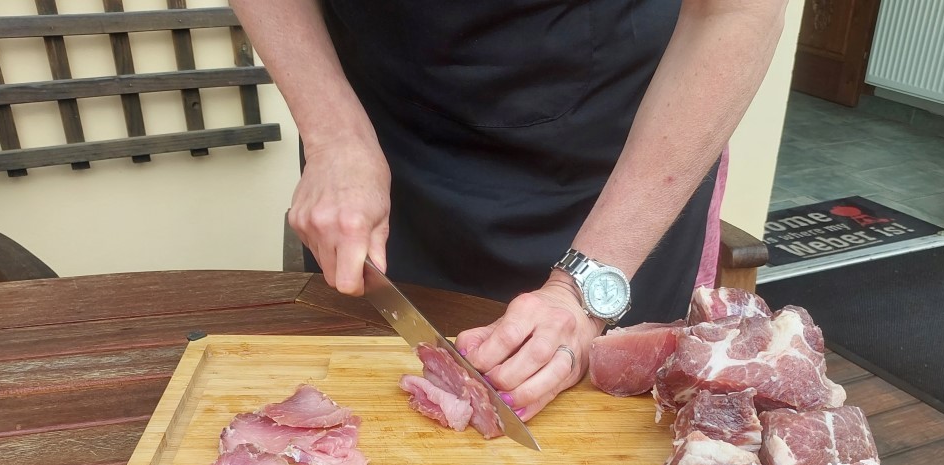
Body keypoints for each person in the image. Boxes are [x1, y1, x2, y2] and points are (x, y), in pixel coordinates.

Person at [230, 0, 789, 420]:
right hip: (384, 129)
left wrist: (587, 286)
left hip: (620, 153)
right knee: (367, 401)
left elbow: (736, 11)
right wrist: (333, 136)